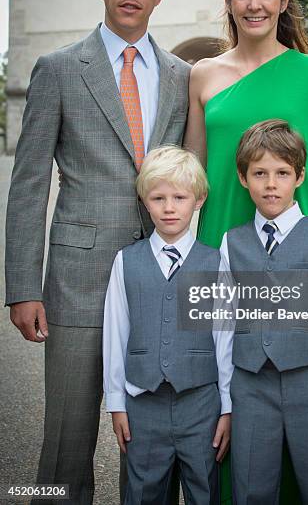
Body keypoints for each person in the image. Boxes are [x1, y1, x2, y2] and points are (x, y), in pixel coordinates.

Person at [5, 0, 190, 504]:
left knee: (159, 436)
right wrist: (21, 287)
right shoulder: (59, 69)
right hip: (77, 281)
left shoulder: (183, 76)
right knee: (66, 437)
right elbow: (30, 183)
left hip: (160, 281)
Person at [184, 0, 308, 504]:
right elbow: (193, 180)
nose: (255, 4)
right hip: (223, 256)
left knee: (304, 395)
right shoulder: (202, 76)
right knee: (229, 406)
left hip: (299, 261)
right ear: (228, 0)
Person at [219, 119, 308, 504]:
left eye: (282, 173)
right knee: (250, 488)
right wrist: (227, 396)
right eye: (259, 173)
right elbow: (225, 322)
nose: (270, 184)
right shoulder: (231, 242)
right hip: (250, 384)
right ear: (243, 178)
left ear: (300, 176)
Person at [103, 145, 232, 504]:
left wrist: (227, 406)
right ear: (145, 201)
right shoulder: (126, 261)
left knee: (205, 491)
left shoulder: (215, 262)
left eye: (179, 197)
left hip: (201, 406)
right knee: (142, 492)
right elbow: (116, 335)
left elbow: (225, 337)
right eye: (158, 197)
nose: (169, 207)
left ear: (199, 200)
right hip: (143, 405)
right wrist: (116, 402)